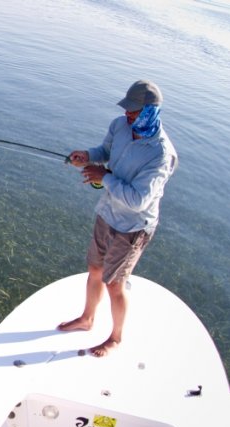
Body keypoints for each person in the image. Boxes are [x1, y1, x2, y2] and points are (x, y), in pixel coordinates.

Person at [59, 80, 178, 357]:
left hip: (133, 227)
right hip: (107, 213)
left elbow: (139, 201)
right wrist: (87, 156)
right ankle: (87, 318)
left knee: (114, 283)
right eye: (128, 109)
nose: (129, 115)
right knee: (95, 270)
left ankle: (115, 338)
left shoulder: (161, 155)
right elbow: (106, 151)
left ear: (152, 111)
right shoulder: (120, 125)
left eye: (135, 111)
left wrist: (104, 176)